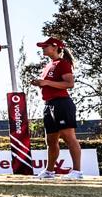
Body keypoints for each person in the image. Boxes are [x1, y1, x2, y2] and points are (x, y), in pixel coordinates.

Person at [32, 37, 83, 180]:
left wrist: (46, 82)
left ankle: (77, 172)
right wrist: (40, 83)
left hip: (62, 103)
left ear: (55, 47)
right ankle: (49, 171)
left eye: (45, 46)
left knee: (69, 137)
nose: (43, 48)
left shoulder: (63, 63)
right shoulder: (49, 65)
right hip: (49, 105)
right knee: (50, 140)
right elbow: (49, 84)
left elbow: (69, 83)